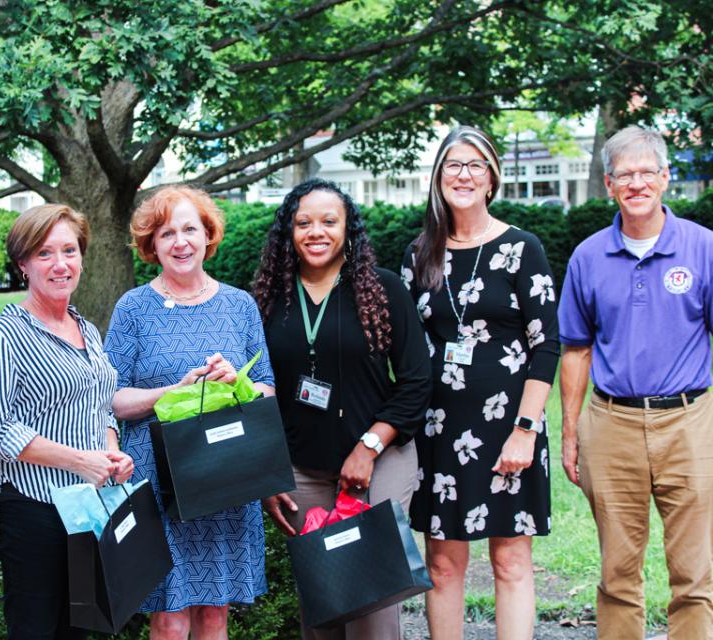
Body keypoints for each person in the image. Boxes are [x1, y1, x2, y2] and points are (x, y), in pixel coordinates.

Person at [256, 178, 432, 640]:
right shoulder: (269, 300)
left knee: (371, 600)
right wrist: (269, 476)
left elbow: (416, 381)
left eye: (329, 221)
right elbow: (258, 395)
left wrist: (369, 447)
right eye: (304, 223)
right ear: (289, 232)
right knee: (324, 602)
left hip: (380, 460)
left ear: (348, 229)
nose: (316, 232)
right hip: (301, 469)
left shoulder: (383, 289)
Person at [403, 126, 559, 640]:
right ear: (438, 178)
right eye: (453, 165)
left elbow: (546, 346)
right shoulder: (419, 253)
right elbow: (405, 346)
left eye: (475, 165)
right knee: (443, 565)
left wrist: (525, 430)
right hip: (439, 430)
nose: (464, 175)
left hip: (509, 429)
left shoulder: (522, 247)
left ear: (492, 179)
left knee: (510, 561)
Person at [559, 126, 713, 638]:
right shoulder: (587, 257)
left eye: (647, 172)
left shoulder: (703, 248)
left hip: (689, 423)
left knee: (694, 573)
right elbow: (575, 350)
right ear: (609, 185)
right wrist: (570, 433)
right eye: (625, 175)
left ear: (665, 178)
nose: (637, 183)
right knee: (617, 573)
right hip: (611, 424)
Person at [104, 185, 275, 640]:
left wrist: (235, 383)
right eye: (166, 234)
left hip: (225, 478)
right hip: (159, 482)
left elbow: (267, 388)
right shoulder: (133, 308)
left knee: (215, 614)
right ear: (152, 244)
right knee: (169, 617)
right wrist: (174, 391)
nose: (180, 242)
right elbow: (111, 397)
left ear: (207, 235)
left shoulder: (239, 305)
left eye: (189, 230)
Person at [0, 204, 134, 639]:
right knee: (36, 631)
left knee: (78, 630)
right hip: (33, 508)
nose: (60, 264)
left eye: (69, 251)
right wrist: (80, 461)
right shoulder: (6, 335)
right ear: (23, 264)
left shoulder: (87, 329)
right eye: (44, 253)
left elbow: (100, 405)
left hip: (87, 508)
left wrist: (111, 451)